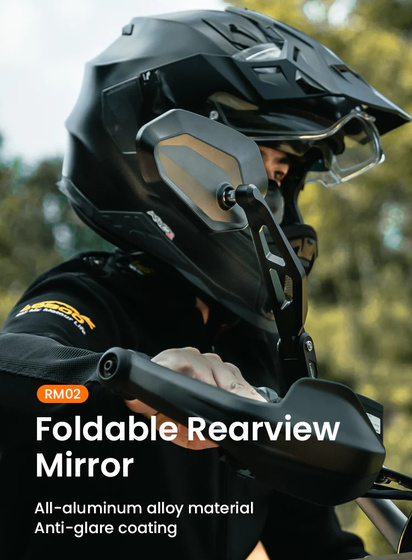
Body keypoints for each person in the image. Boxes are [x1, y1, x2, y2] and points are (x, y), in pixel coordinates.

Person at [0, 7, 410, 560]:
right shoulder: (98, 294)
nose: (275, 202)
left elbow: (311, 545)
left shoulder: (256, 353)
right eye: (260, 171)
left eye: (282, 178)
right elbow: (16, 363)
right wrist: (128, 383)